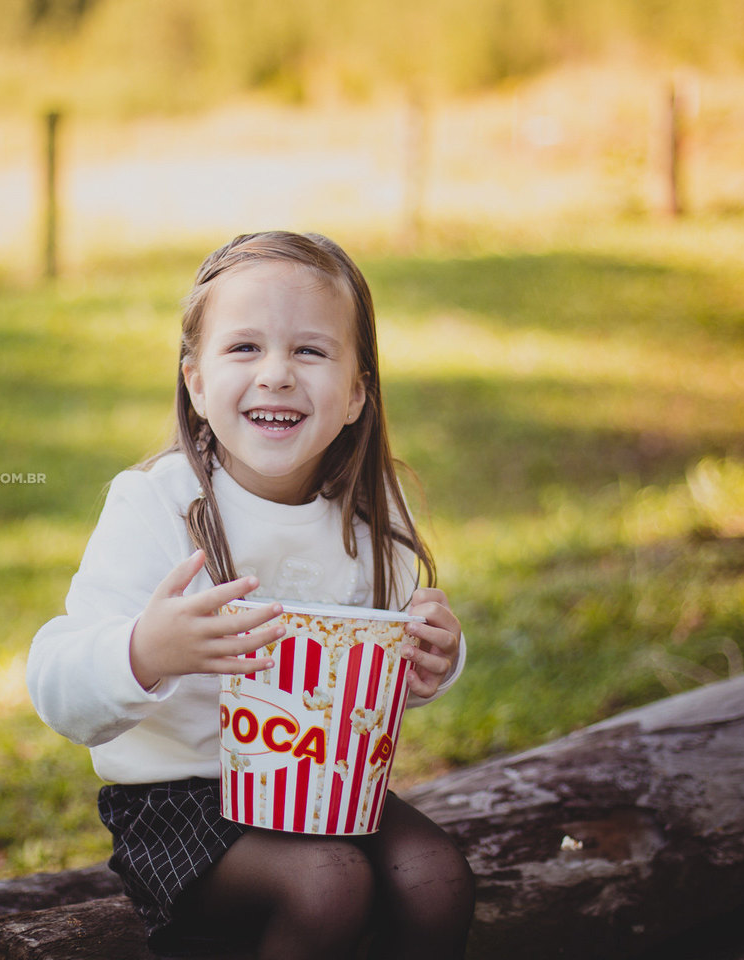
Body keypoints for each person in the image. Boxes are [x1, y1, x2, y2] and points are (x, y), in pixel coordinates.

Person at [27, 231, 476, 959]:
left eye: (310, 351)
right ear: (196, 382)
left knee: (434, 877)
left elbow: (381, 675)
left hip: (322, 787)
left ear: (358, 391)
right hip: (181, 802)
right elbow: (55, 681)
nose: (276, 375)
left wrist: (435, 658)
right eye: (244, 349)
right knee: (328, 885)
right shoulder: (156, 506)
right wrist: (145, 651)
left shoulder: (374, 514)